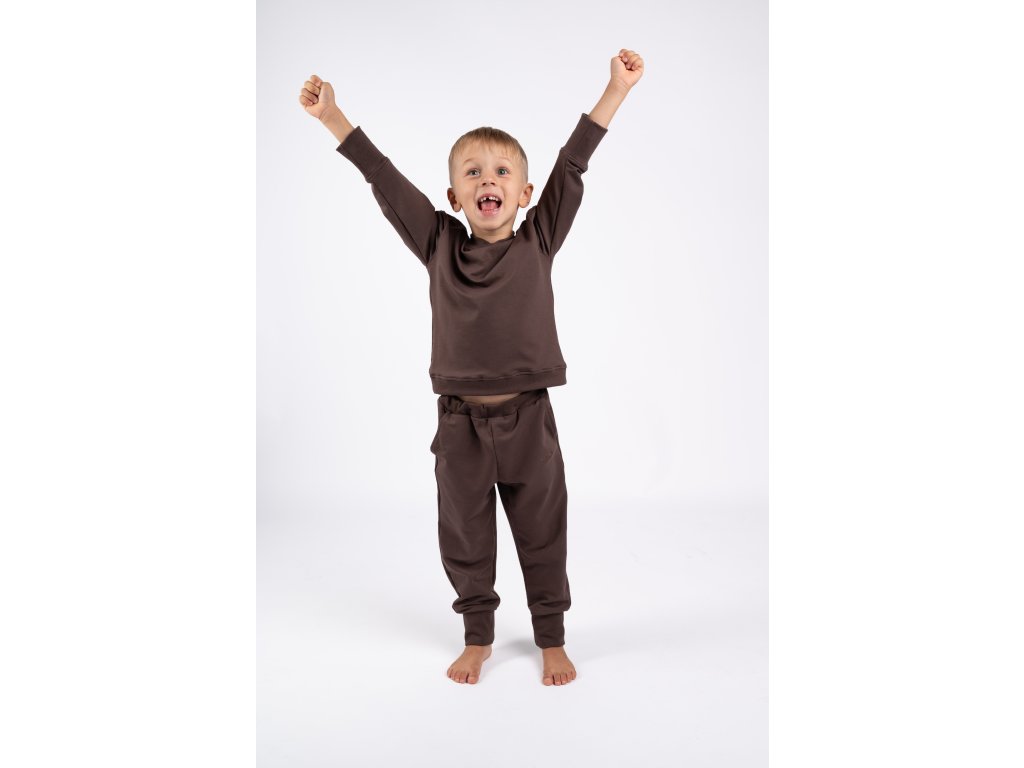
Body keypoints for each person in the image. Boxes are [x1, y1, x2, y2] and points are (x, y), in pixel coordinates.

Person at [297, 49, 644, 686]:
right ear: (455, 196)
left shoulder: (540, 237)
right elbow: (383, 178)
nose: (490, 179)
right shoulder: (437, 243)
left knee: (543, 533)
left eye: (503, 171)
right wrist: (333, 117)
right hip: (460, 427)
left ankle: (551, 636)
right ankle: (477, 635)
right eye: (474, 171)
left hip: (529, 421)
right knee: (465, 536)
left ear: (525, 194)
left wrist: (615, 89)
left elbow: (573, 164)